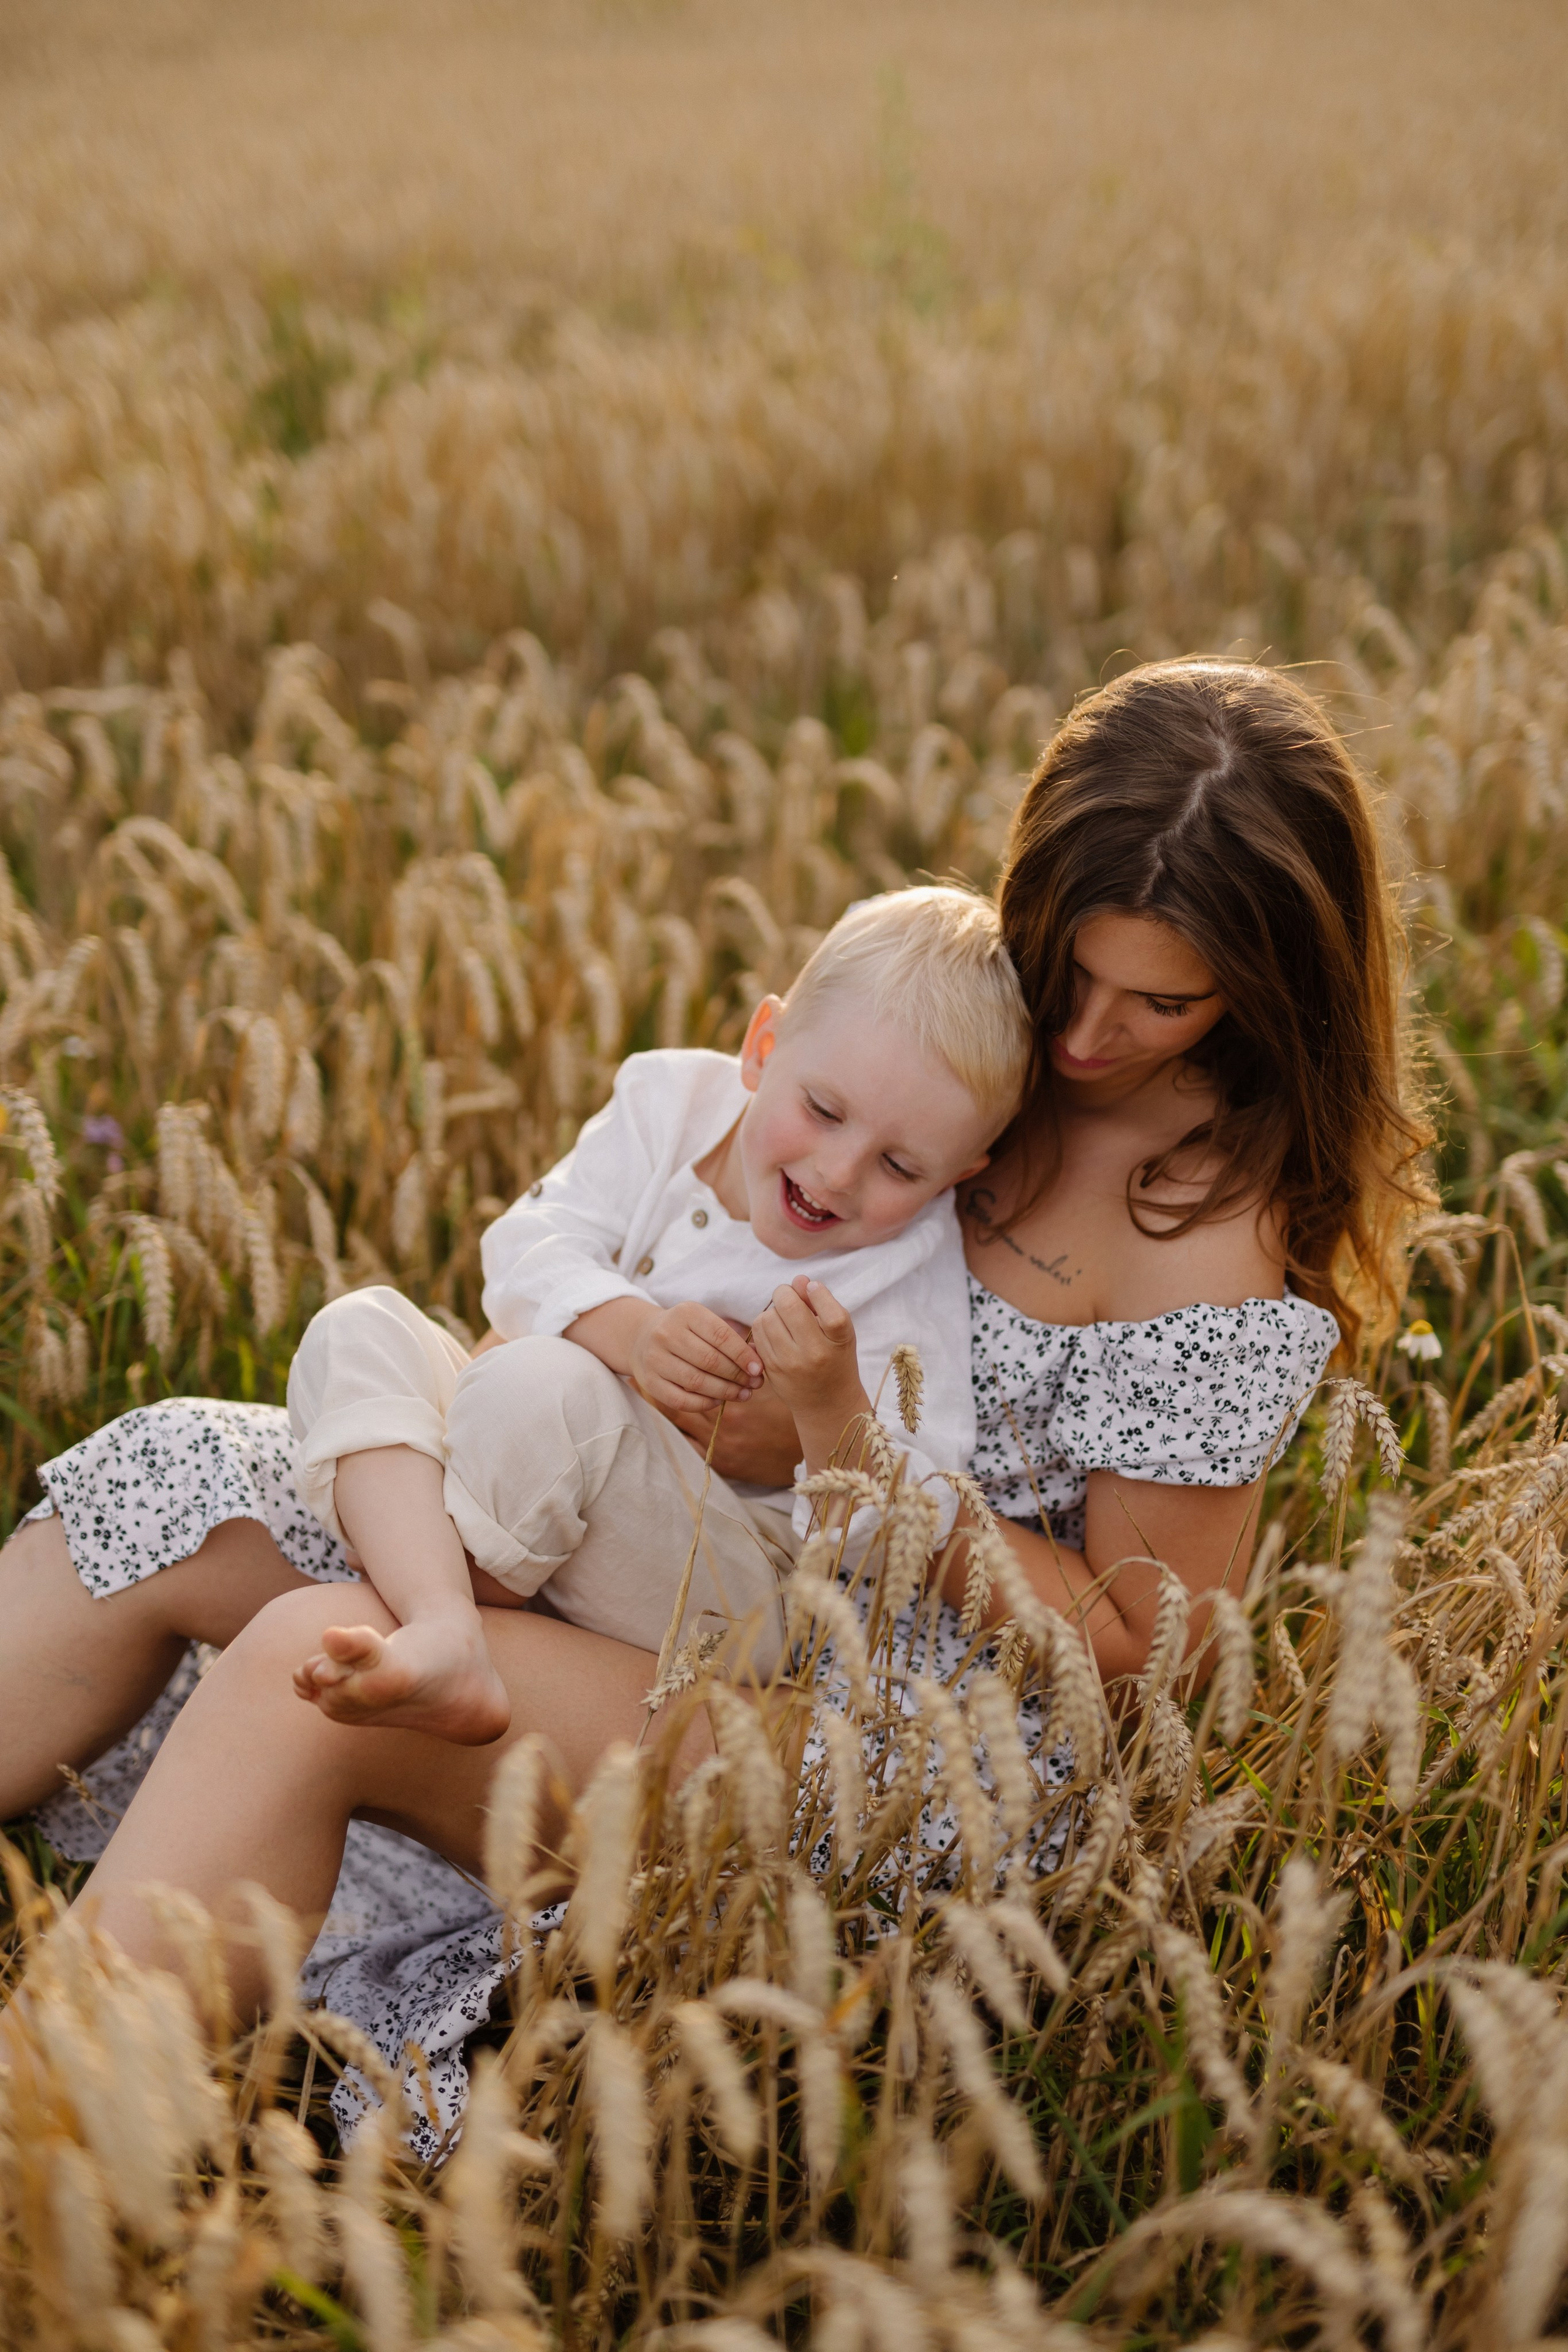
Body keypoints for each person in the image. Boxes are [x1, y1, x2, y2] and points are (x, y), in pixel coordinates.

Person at [0, 660, 1429, 2144]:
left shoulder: (1203, 1231)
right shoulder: (945, 1044)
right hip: (653, 1529)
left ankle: (39, 2156)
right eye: (1065, 964)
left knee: (320, 1659)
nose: (1079, 1034)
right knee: (175, 1481)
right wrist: (603, 1363)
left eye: (1158, 1003)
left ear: (1264, 985)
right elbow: (671, 1216)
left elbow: (1145, 1648)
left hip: (889, 1723)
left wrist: (849, 1460)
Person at [281, 888, 1028, 1744]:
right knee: (359, 1325)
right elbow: (527, 1245)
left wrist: (831, 1405)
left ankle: (421, 1561)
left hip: (724, 1572)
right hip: (539, 1448)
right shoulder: (665, 1102)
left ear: (963, 1170)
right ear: (763, 1046)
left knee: (542, 1381)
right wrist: (633, 1335)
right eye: (822, 1110)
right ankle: (445, 1626)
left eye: (900, 1164)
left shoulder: (909, 1266)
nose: (837, 1172)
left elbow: (910, 1529)